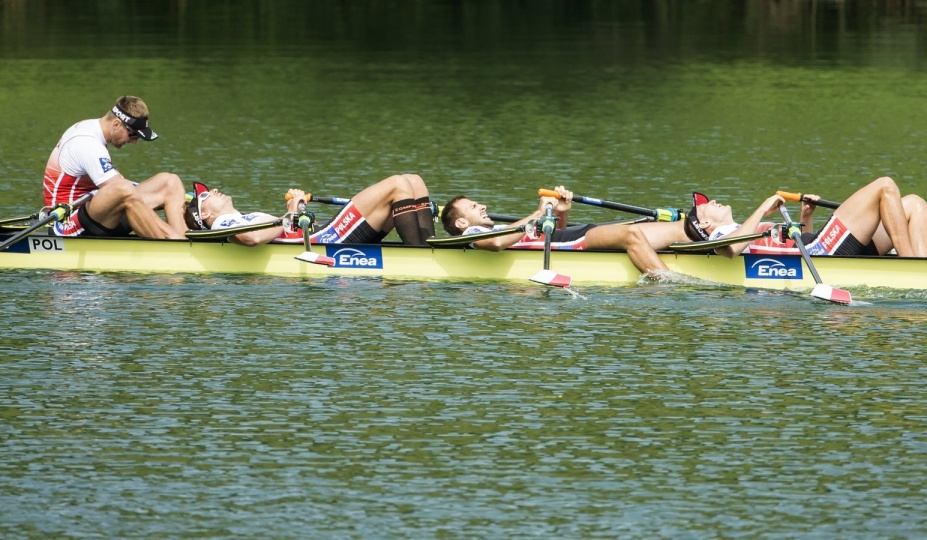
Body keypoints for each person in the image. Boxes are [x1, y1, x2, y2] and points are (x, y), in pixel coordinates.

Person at [440, 186, 671, 278]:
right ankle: (669, 283)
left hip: (568, 237)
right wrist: (539, 212)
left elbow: (554, 233)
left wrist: (561, 211)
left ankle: (704, 236)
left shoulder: (490, 228)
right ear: (461, 224)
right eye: (473, 206)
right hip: (573, 241)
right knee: (630, 234)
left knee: (667, 229)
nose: (482, 206)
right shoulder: (474, 233)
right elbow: (497, 243)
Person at [43, 95, 187, 239]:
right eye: (133, 135)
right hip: (67, 222)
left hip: (96, 214)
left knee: (170, 182)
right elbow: (120, 188)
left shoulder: (92, 126)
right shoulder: (87, 143)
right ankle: (175, 242)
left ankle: (186, 237)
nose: (134, 142)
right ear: (117, 124)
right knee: (123, 189)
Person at [682, 176, 927, 258]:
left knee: (915, 205)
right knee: (885, 185)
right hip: (823, 249)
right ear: (705, 224)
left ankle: (926, 276)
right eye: (707, 207)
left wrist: (806, 217)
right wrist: (761, 207)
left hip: (818, 247)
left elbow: (797, 244)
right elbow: (731, 249)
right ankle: (912, 265)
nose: (713, 202)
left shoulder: (739, 227)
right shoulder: (720, 236)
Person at [184, 173, 435, 247]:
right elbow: (251, 238)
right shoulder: (221, 223)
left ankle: (428, 245)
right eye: (205, 196)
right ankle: (423, 255)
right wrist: (291, 213)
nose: (213, 190)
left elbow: (281, 229)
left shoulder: (239, 216)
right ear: (204, 215)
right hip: (328, 238)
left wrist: (292, 212)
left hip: (323, 233)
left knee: (414, 180)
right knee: (398, 185)